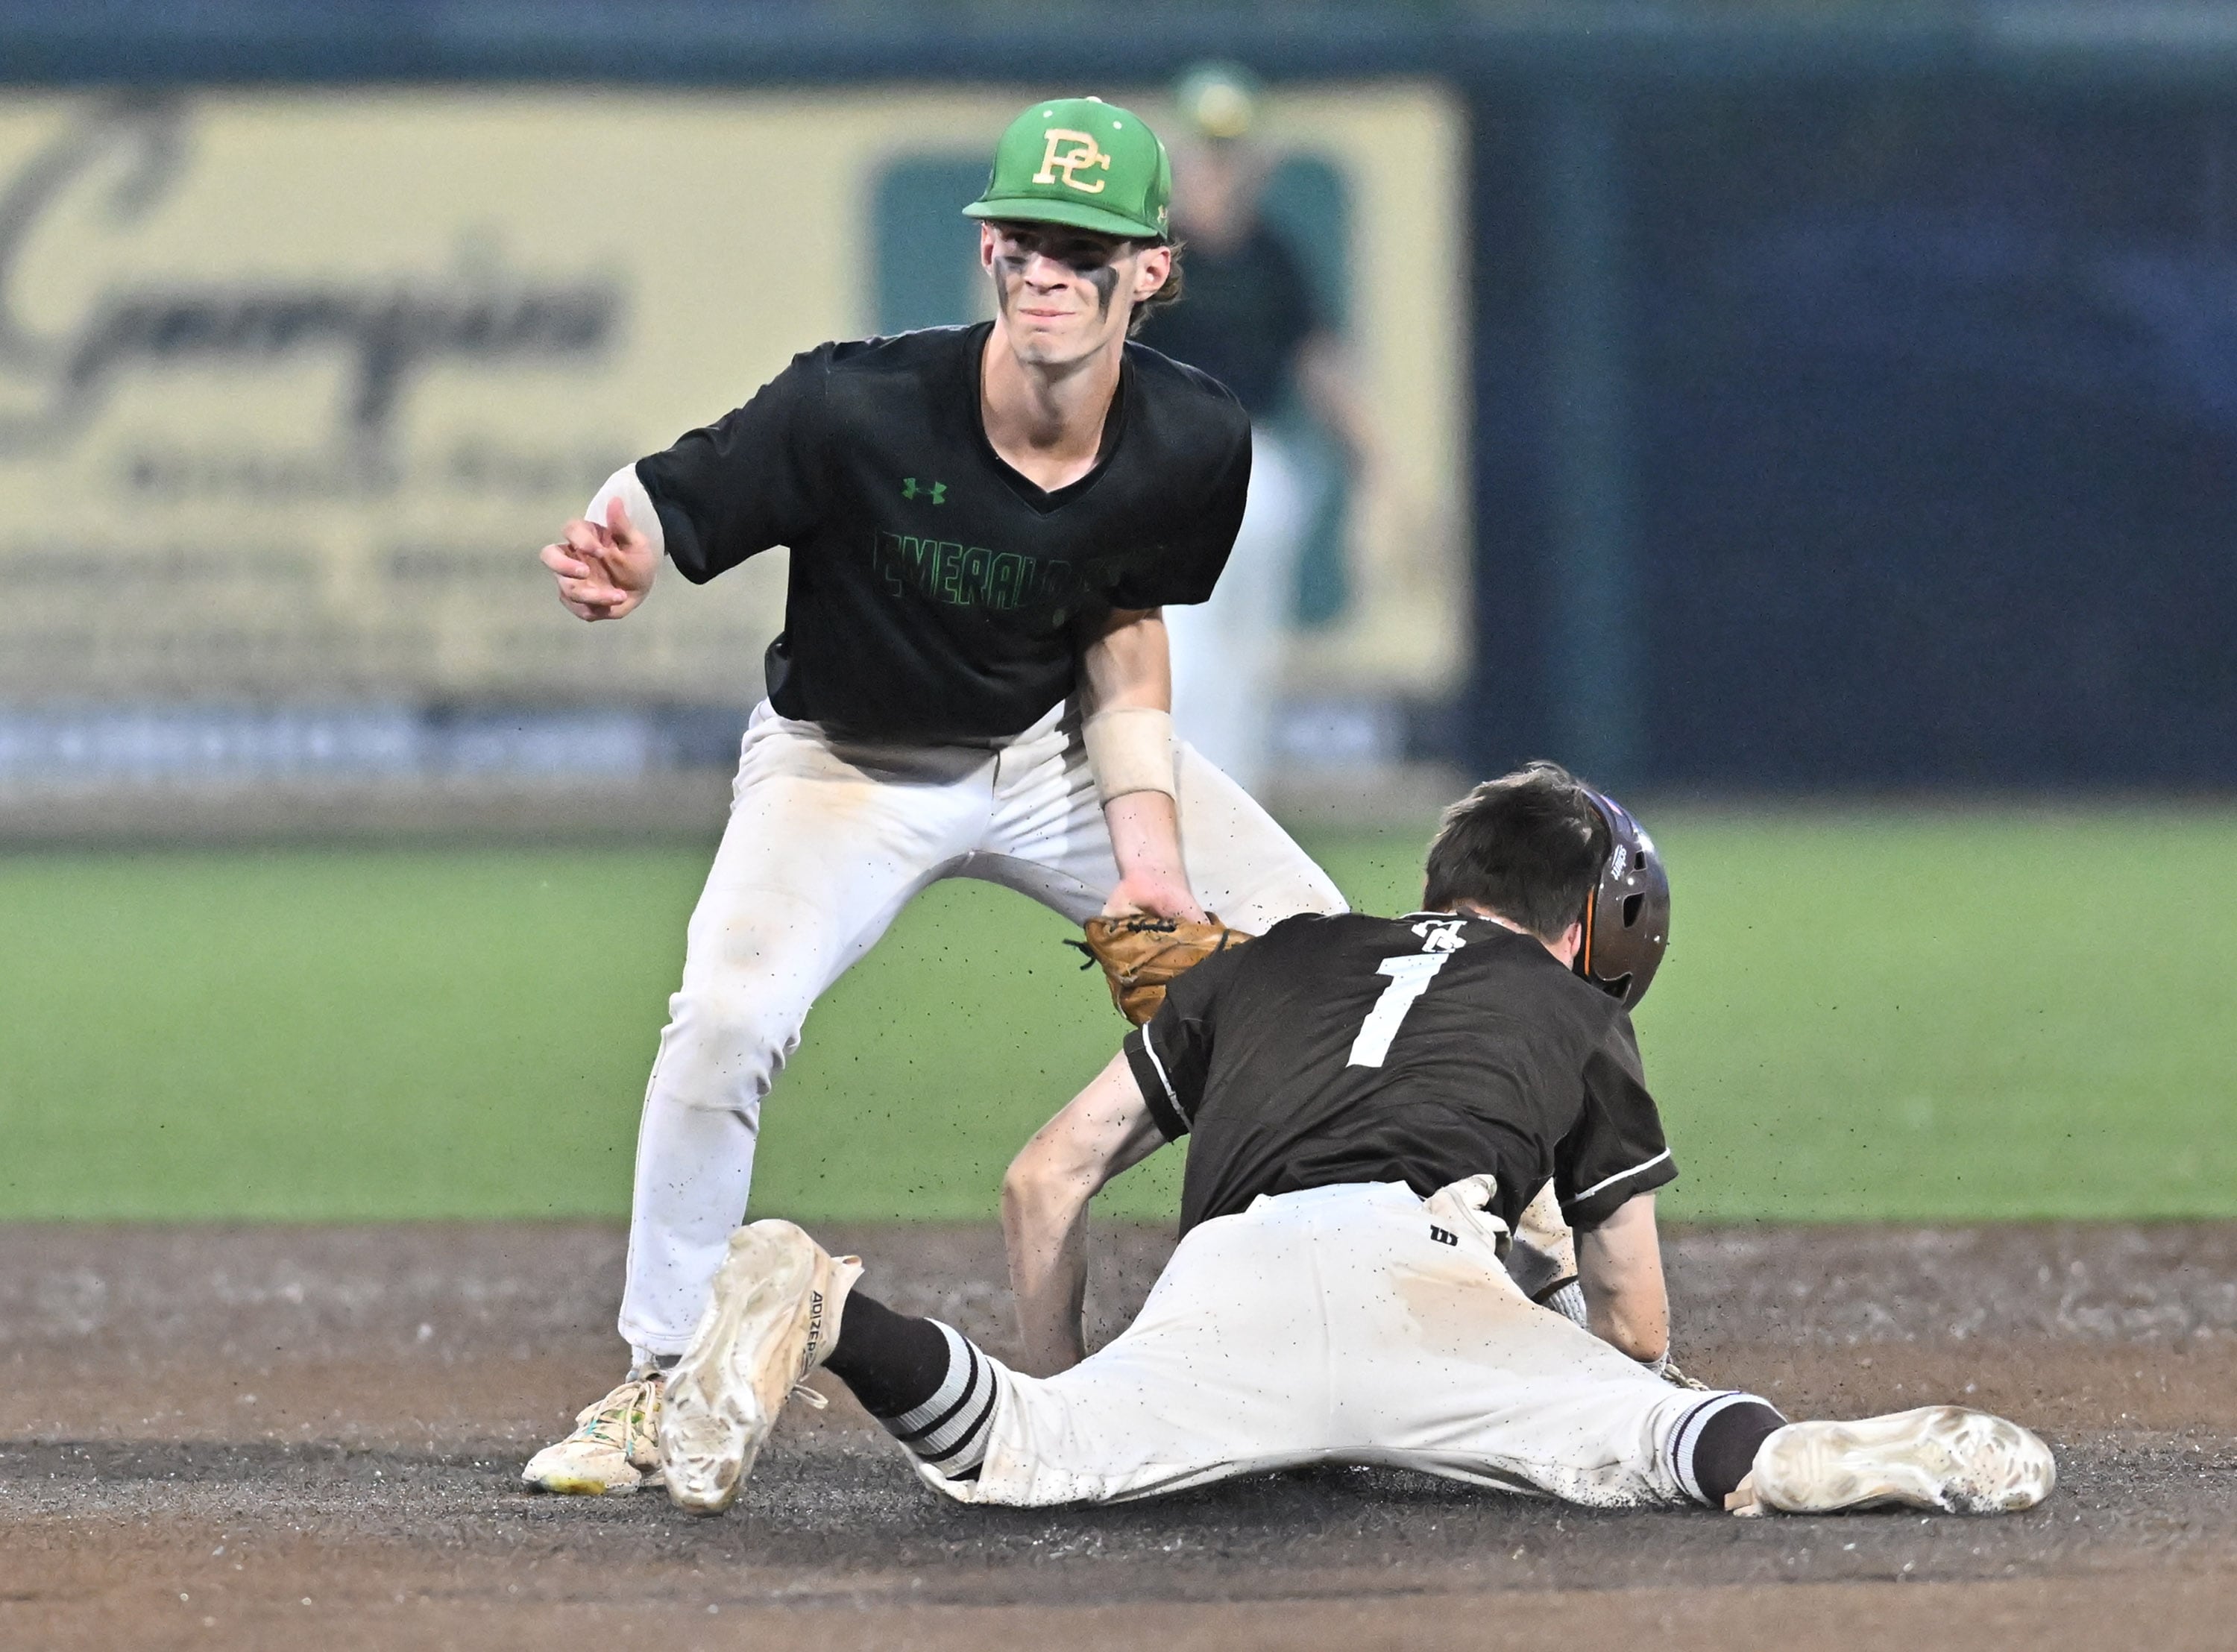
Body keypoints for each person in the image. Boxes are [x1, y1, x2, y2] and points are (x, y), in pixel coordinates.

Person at [522, 95, 1347, 1495]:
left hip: (1050, 754)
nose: (1045, 267)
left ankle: (1372, 1331)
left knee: (1326, 962)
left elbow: (1122, 628)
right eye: (1023, 235)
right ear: (986, 251)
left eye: (1082, 246)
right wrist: (624, 542)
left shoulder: (1194, 440)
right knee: (724, 1019)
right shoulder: (859, 402)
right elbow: (667, 491)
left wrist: (1150, 859)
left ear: (1150, 270)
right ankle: (661, 1381)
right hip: (842, 764)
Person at [650, 763, 2057, 1521]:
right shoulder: (1572, 1010)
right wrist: (1560, 1341)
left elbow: (1045, 1179)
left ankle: (825, 1305)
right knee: (1654, 1436)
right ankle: (1793, 1458)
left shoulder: (1273, 958)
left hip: (1226, 1279)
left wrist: (1092, 1371)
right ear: (1594, 924)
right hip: (1428, 1274)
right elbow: (1633, 1321)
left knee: (1025, 1451)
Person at [1131, 66, 1378, 795]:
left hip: (1257, 458)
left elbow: (1322, 366)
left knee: (1248, 655)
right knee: (1179, 644)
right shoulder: (1147, 251)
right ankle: (1168, 799)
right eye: (1205, 149)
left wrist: (1382, 472)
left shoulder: (1273, 255)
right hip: (1165, 460)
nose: (1218, 167)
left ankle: (1232, 806)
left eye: (1231, 150)